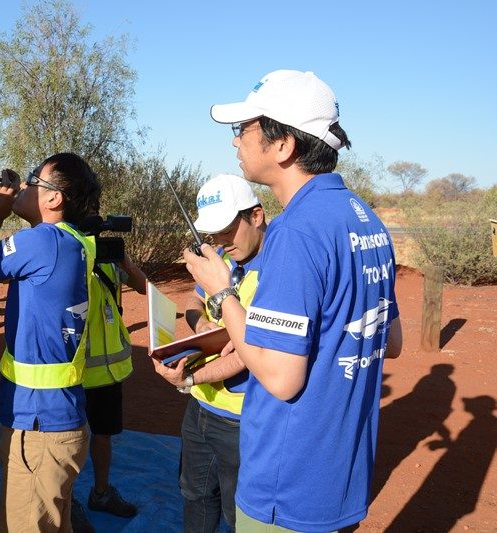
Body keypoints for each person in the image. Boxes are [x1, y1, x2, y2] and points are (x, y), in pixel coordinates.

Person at [184, 70, 403, 532]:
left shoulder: (296, 230)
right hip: (340, 476)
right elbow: (393, 337)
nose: (235, 143)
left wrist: (223, 292)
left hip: (288, 485)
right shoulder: (365, 219)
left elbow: (281, 379)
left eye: (242, 130)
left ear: (283, 145)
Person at [0, 153, 102, 532]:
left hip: (38, 425)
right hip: (57, 419)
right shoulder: (73, 242)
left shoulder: (43, 241)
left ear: (54, 199)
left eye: (35, 179)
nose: (26, 184)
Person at [153, 173, 266, 532]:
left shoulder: (279, 271)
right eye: (213, 233)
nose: (221, 242)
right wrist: (202, 325)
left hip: (242, 419)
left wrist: (188, 378)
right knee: (195, 494)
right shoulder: (219, 256)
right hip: (200, 407)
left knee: (239, 512)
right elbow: (193, 298)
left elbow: (247, 354)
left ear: (257, 216)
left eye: (227, 230)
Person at [71, 229, 147, 531]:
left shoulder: (109, 261)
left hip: (108, 371)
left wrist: (126, 262)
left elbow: (144, 287)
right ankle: (66, 501)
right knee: (69, 441)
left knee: (102, 434)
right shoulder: (67, 256)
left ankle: (101, 493)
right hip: (73, 371)